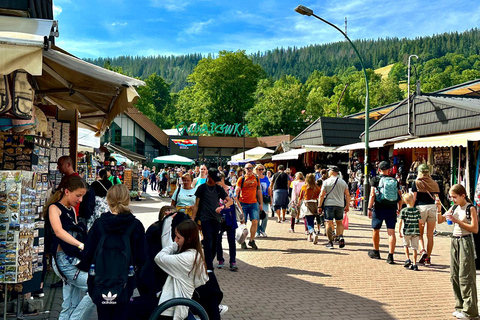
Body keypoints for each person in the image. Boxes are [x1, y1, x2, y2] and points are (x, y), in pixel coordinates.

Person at [79, 184, 146, 320]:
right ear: (128, 200)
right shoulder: (135, 225)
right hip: (125, 280)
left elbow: (88, 253)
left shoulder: (99, 224)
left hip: (100, 280)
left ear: (108, 200)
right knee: (122, 313)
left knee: (103, 315)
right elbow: (142, 256)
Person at [45, 175, 95, 320]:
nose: (80, 200)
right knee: (94, 287)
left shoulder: (71, 209)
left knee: (69, 303)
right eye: (78, 195)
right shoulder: (54, 208)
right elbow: (58, 231)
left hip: (72, 258)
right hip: (63, 259)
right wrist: (80, 245)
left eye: (82, 196)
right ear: (67, 191)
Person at [437, 184, 478, 320]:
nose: (452, 200)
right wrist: (438, 208)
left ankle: (470, 311)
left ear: (463, 196)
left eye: (455, 197)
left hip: (465, 241)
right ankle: (459, 306)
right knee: (454, 275)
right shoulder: (454, 207)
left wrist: (457, 221)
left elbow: (474, 228)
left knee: (465, 276)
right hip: (454, 241)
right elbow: (440, 220)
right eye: (451, 197)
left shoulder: (470, 208)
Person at [154, 220, 209, 320]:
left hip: (171, 309)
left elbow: (159, 258)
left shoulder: (187, 258)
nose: (175, 240)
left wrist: (174, 246)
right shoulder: (196, 254)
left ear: (188, 240)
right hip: (174, 306)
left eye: (178, 237)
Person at [192, 168, 232, 271]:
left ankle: (209, 262)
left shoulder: (218, 188)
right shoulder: (201, 188)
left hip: (216, 219)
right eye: (213, 178)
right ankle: (209, 266)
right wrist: (193, 218)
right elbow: (196, 205)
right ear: (208, 176)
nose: (215, 181)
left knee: (215, 242)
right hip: (205, 218)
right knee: (207, 241)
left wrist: (223, 207)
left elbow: (230, 201)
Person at [367, 161, 403, 263]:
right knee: (391, 232)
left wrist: (369, 208)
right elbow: (400, 197)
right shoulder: (394, 181)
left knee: (376, 230)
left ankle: (376, 252)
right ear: (389, 170)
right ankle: (390, 256)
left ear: (379, 170)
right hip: (391, 208)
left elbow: (372, 195)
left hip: (379, 208)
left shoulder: (375, 179)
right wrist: (399, 209)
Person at [412, 163, 440, 266]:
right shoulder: (434, 183)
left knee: (419, 234)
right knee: (430, 235)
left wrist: (411, 208)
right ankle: (428, 258)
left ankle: (422, 250)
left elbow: (414, 198)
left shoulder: (416, 183)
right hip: (432, 207)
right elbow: (437, 198)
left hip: (420, 208)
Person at [318, 166, 350, 249]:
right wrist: (347, 205)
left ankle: (330, 242)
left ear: (332, 172)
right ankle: (340, 237)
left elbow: (322, 195)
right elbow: (347, 194)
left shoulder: (326, 182)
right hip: (340, 205)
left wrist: (319, 205)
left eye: (329, 171)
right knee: (339, 222)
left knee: (328, 222)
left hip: (329, 205)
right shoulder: (343, 182)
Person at [235, 163, 264, 250]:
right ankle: (243, 241)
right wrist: (236, 200)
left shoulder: (256, 178)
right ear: (244, 169)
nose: (249, 170)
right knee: (243, 223)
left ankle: (252, 240)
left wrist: (261, 203)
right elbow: (237, 190)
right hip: (243, 203)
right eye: (248, 168)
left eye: (251, 168)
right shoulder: (241, 179)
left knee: (255, 221)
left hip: (254, 203)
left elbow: (259, 191)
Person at [216, 173, 238, 271]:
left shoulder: (231, 189)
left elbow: (235, 201)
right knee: (218, 239)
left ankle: (232, 261)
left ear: (223, 179)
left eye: (219, 179)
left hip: (230, 217)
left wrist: (241, 216)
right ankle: (220, 259)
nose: (218, 181)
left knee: (231, 240)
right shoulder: (214, 190)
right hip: (218, 217)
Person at [398, 193, 422, 271]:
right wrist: (422, 224)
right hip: (415, 231)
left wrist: (399, 231)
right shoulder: (417, 210)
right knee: (414, 248)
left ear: (404, 201)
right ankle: (415, 264)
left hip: (407, 230)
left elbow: (401, 221)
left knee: (405, 245)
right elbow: (420, 221)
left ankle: (408, 259)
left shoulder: (404, 211)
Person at [298, 173, 321, 244]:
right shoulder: (317, 187)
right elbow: (319, 196)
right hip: (314, 205)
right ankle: (310, 236)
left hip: (306, 205)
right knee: (312, 220)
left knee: (308, 222)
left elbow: (300, 196)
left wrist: (298, 203)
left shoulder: (304, 187)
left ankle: (312, 232)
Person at [255, 164, 271, 238]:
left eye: (262, 169)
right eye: (259, 169)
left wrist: (270, 198)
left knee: (265, 216)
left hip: (264, 199)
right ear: (256, 170)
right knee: (256, 216)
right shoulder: (254, 178)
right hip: (255, 199)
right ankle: (257, 231)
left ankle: (263, 229)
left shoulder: (266, 178)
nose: (261, 171)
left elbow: (268, 188)